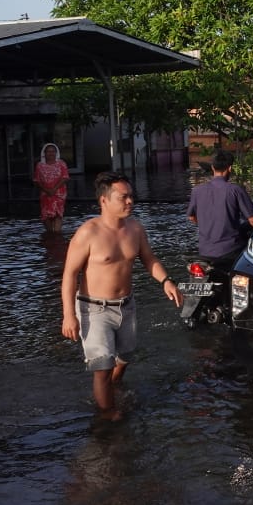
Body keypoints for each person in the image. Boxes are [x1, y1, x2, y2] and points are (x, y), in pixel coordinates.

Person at [60, 172, 183, 417]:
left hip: (126, 306)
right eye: (123, 197)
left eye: (131, 197)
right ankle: (107, 416)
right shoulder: (88, 233)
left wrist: (166, 281)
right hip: (93, 308)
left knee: (124, 358)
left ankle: (112, 389)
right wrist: (68, 315)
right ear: (104, 201)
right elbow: (69, 275)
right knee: (102, 366)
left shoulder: (135, 228)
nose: (130, 202)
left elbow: (149, 259)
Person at [187, 152, 253, 273]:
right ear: (230, 168)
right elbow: (252, 220)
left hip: (204, 250)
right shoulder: (235, 190)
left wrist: (206, 224)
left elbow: (191, 217)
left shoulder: (197, 191)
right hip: (230, 250)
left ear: (212, 167)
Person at [33, 143, 70, 238]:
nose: (51, 153)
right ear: (44, 153)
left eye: (53, 151)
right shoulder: (39, 165)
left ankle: (57, 234)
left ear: (56, 153)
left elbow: (65, 177)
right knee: (46, 215)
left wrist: (54, 189)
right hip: (45, 194)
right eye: (48, 151)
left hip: (59, 193)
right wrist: (46, 190)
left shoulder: (61, 164)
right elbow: (36, 180)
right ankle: (50, 234)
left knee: (58, 213)